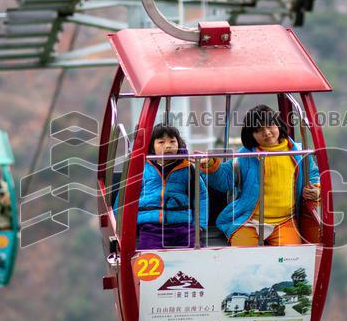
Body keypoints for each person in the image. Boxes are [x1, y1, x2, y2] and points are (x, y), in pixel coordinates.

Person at [203, 104, 319, 246]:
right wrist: (210, 164)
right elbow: (224, 180)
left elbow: (313, 175)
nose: (266, 132)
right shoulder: (246, 156)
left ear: (278, 125)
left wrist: (317, 190)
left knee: (290, 257)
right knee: (246, 255)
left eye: (270, 125)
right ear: (251, 135)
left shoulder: (298, 153)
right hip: (249, 220)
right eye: (258, 130)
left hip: (285, 221)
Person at [133, 123, 208, 249]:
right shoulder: (142, 169)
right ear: (151, 147)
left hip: (183, 224)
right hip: (151, 226)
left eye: (172, 141)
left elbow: (201, 196)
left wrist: (199, 224)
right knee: (150, 254)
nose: (168, 146)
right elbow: (126, 198)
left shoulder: (187, 168)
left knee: (195, 249)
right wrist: (123, 227)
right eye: (161, 142)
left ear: (179, 144)